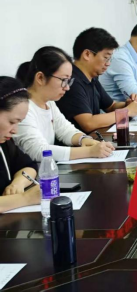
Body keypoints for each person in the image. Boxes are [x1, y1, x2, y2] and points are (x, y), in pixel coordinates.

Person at [14, 47, 115, 163]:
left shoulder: (49, 102)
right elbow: (39, 151)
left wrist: (85, 140)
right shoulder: (22, 108)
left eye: (69, 81)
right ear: (40, 78)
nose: (67, 87)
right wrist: (89, 151)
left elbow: (65, 130)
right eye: (63, 80)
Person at [57, 28, 137, 133]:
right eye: (106, 58)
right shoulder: (71, 82)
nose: (108, 63)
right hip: (78, 142)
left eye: (109, 59)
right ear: (87, 54)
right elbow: (88, 123)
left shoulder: (91, 78)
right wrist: (127, 111)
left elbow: (111, 106)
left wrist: (127, 104)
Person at [0, 77, 41, 213]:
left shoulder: (4, 142)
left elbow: (28, 166)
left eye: (19, 122)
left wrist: (18, 183)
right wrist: (26, 198)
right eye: (12, 122)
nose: (15, 130)